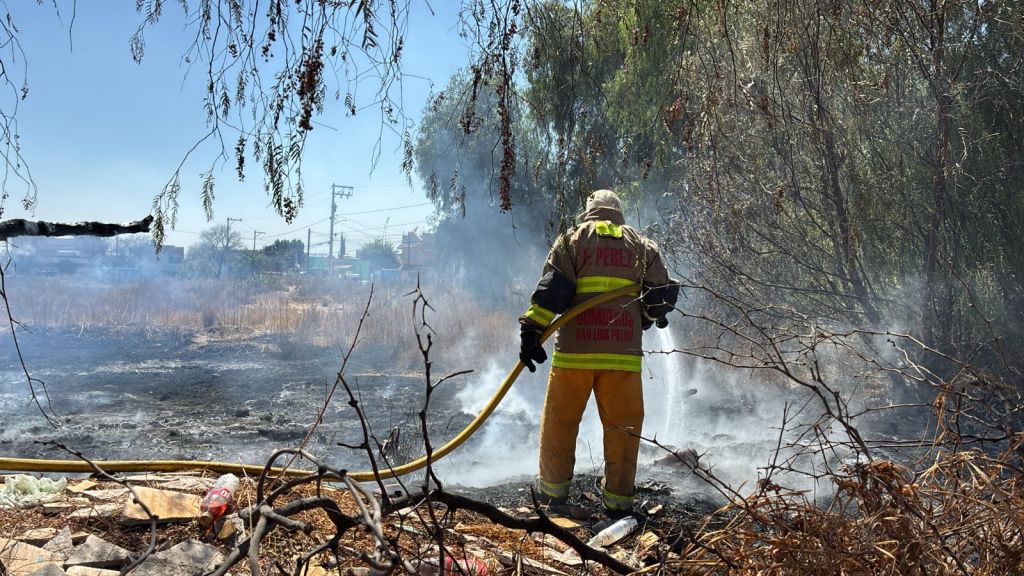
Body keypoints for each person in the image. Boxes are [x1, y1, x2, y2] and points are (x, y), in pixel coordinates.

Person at [519, 189, 678, 516]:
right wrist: (646, 320)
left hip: (574, 356)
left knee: (560, 424)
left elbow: (552, 294)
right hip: (622, 357)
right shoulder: (642, 246)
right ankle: (619, 504)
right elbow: (660, 297)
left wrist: (531, 332)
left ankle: (552, 495)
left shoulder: (572, 241)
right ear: (618, 213)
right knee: (624, 429)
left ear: (588, 212)